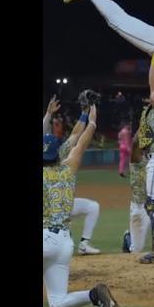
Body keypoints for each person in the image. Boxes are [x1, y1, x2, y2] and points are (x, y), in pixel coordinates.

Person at [43, 105, 119, 307]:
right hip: (64, 244)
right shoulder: (69, 168)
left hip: (45, 240)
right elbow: (80, 141)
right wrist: (92, 121)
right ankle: (93, 295)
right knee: (57, 303)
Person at [44, 95, 101, 255]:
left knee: (92, 207)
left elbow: (75, 134)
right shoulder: (66, 163)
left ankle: (83, 245)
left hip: (60, 207)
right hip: (54, 211)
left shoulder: (59, 152)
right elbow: (79, 141)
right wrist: (92, 121)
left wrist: (84, 113)